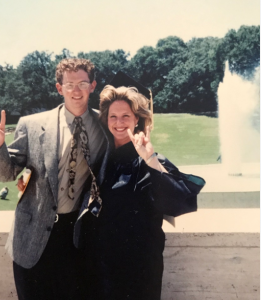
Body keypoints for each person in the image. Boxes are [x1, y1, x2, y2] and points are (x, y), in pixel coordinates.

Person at [0, 58, 107, 300]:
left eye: (82, 83)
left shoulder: (104, 126)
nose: (76, 90)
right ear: (59, 88)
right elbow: (6, 174)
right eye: (69, 84)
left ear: (92, 86)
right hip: (32, 237)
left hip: (77, 237)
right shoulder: (32, 125)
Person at [76, 72, 205, 300]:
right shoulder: (101, 160)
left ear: (138, 119)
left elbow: (179, 203)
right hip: (100, 266)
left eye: (126, 116)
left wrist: (150, 159)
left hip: (138, 270)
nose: (119, 122)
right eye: (113, 116)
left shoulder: (150, 159)